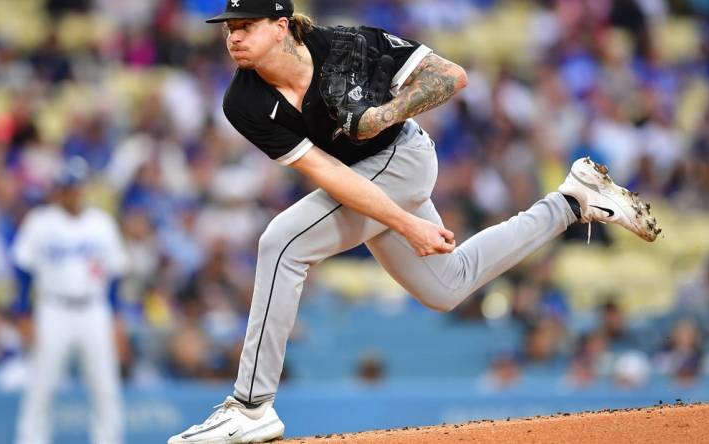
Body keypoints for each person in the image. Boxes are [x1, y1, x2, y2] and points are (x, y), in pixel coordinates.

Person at [169, 1, 660, 442]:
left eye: (245, 25)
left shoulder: (348, 45)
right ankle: (572, 202)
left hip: (402, 156)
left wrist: (385, 114)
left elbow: (450, 76)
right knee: (447, 287)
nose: (233, 36)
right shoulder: (243, 101)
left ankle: (251, 406)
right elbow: (329, 174)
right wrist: (406, 224)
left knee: (281, 243)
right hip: (358, 178)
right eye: (229, 27)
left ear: (281, 27)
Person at [13, 157, 128, 444]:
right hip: (53, 309)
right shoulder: (40, 222)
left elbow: (115, 276)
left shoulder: (101, 223)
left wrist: (116, 319)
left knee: (104, 387)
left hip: (93, 309)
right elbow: (23, 270)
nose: (73, 192)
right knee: (41, 386)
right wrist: (23, 314)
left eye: (77, 187)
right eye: (68, 187)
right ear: (59, 189)